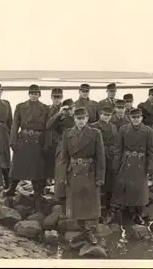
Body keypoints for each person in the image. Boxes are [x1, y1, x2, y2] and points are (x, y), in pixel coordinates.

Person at [57, 107, 105, 245]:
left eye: (83, 118)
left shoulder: (96, 133)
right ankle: (84, 230)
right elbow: (64, 157)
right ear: (74, 119)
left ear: (87, 119)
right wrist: (63, 175)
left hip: (89, 171)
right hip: (73, 172)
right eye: (78, 118)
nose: (81, 121)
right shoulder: (67, 134)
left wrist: (100, 177)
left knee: (89, 203)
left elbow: (100, 157)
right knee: (76, 203)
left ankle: (88, 231)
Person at [103, 108, 153, 225]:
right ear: (129, 118)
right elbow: (118, 149)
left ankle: (137, 214)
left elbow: (151, 151)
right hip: (125, 161)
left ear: (141, 118)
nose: (136, 119)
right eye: (133, 117)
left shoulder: (148, 131)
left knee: (139, 189)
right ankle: (113, 211)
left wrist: (151, 167)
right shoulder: (123, 130)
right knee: (120, 186)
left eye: (138, 117)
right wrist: (116, 165)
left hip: (140, 163)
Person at [5, 85, 52, 210]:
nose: (34, 95)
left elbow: (48, 128)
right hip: (23, 140)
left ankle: (38, 192)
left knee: (38, 169)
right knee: (17, 165)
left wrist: (47, 143)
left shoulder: (45, 108)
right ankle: (12, 188)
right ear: (29, 94)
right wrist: (12, 142)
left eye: (36, 93)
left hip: (38, 141)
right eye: (32, 93)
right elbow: (15, 125)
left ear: (39, 95)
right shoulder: (20, 107)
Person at [47, 98, 75, 206]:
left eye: (71, 109)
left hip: (75, 148)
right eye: (67, 109)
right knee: (60, 172)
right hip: (62, 148)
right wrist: (59, 113)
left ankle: (71, 197)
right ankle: (59, 197)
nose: (69, 111)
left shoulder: (78, 118)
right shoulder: (60, 119)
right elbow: (48, 126)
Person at [90, 106, 119, 209]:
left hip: (111, 155)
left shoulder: (113, 127)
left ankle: (108, 203)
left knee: (110, 178)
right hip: (99, 155)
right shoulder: (94, 126)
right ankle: (98, 203)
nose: (107, 117)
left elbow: (116, 142)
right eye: (104, 114)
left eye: (109, 115)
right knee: (99, 177)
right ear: (100, 115)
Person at [45, 88, 64, 184]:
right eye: (55, 97)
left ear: (62, 97)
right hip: (49, 140)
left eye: (59, 97)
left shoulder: (65, 110)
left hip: (60, 140)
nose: (57, 99)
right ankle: (48, 182)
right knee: (48, 162)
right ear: (51, 97)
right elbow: (46, 126)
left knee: (60, 163)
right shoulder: (47, 109)